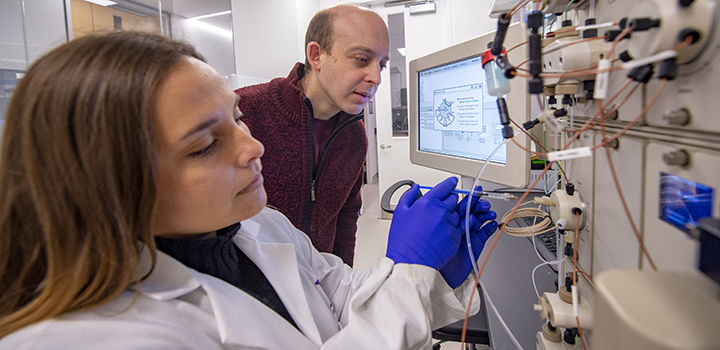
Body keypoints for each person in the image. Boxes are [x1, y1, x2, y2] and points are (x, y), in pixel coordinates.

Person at [0, 31, 498, 349]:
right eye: (203, 146)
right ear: (107, 184)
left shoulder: (255, 226)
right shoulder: (90, 337)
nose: (253, 146)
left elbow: (339, 297)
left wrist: (431, 272)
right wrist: (409, 275)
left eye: (237, 118)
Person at [235, 4, 390, 265]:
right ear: (316, 56)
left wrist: (340, 281)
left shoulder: (354, 136)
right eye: (362, 59)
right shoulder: (244, 113)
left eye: (382, 65)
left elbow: (346, 216)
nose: (375, 77)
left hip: (320, 284)